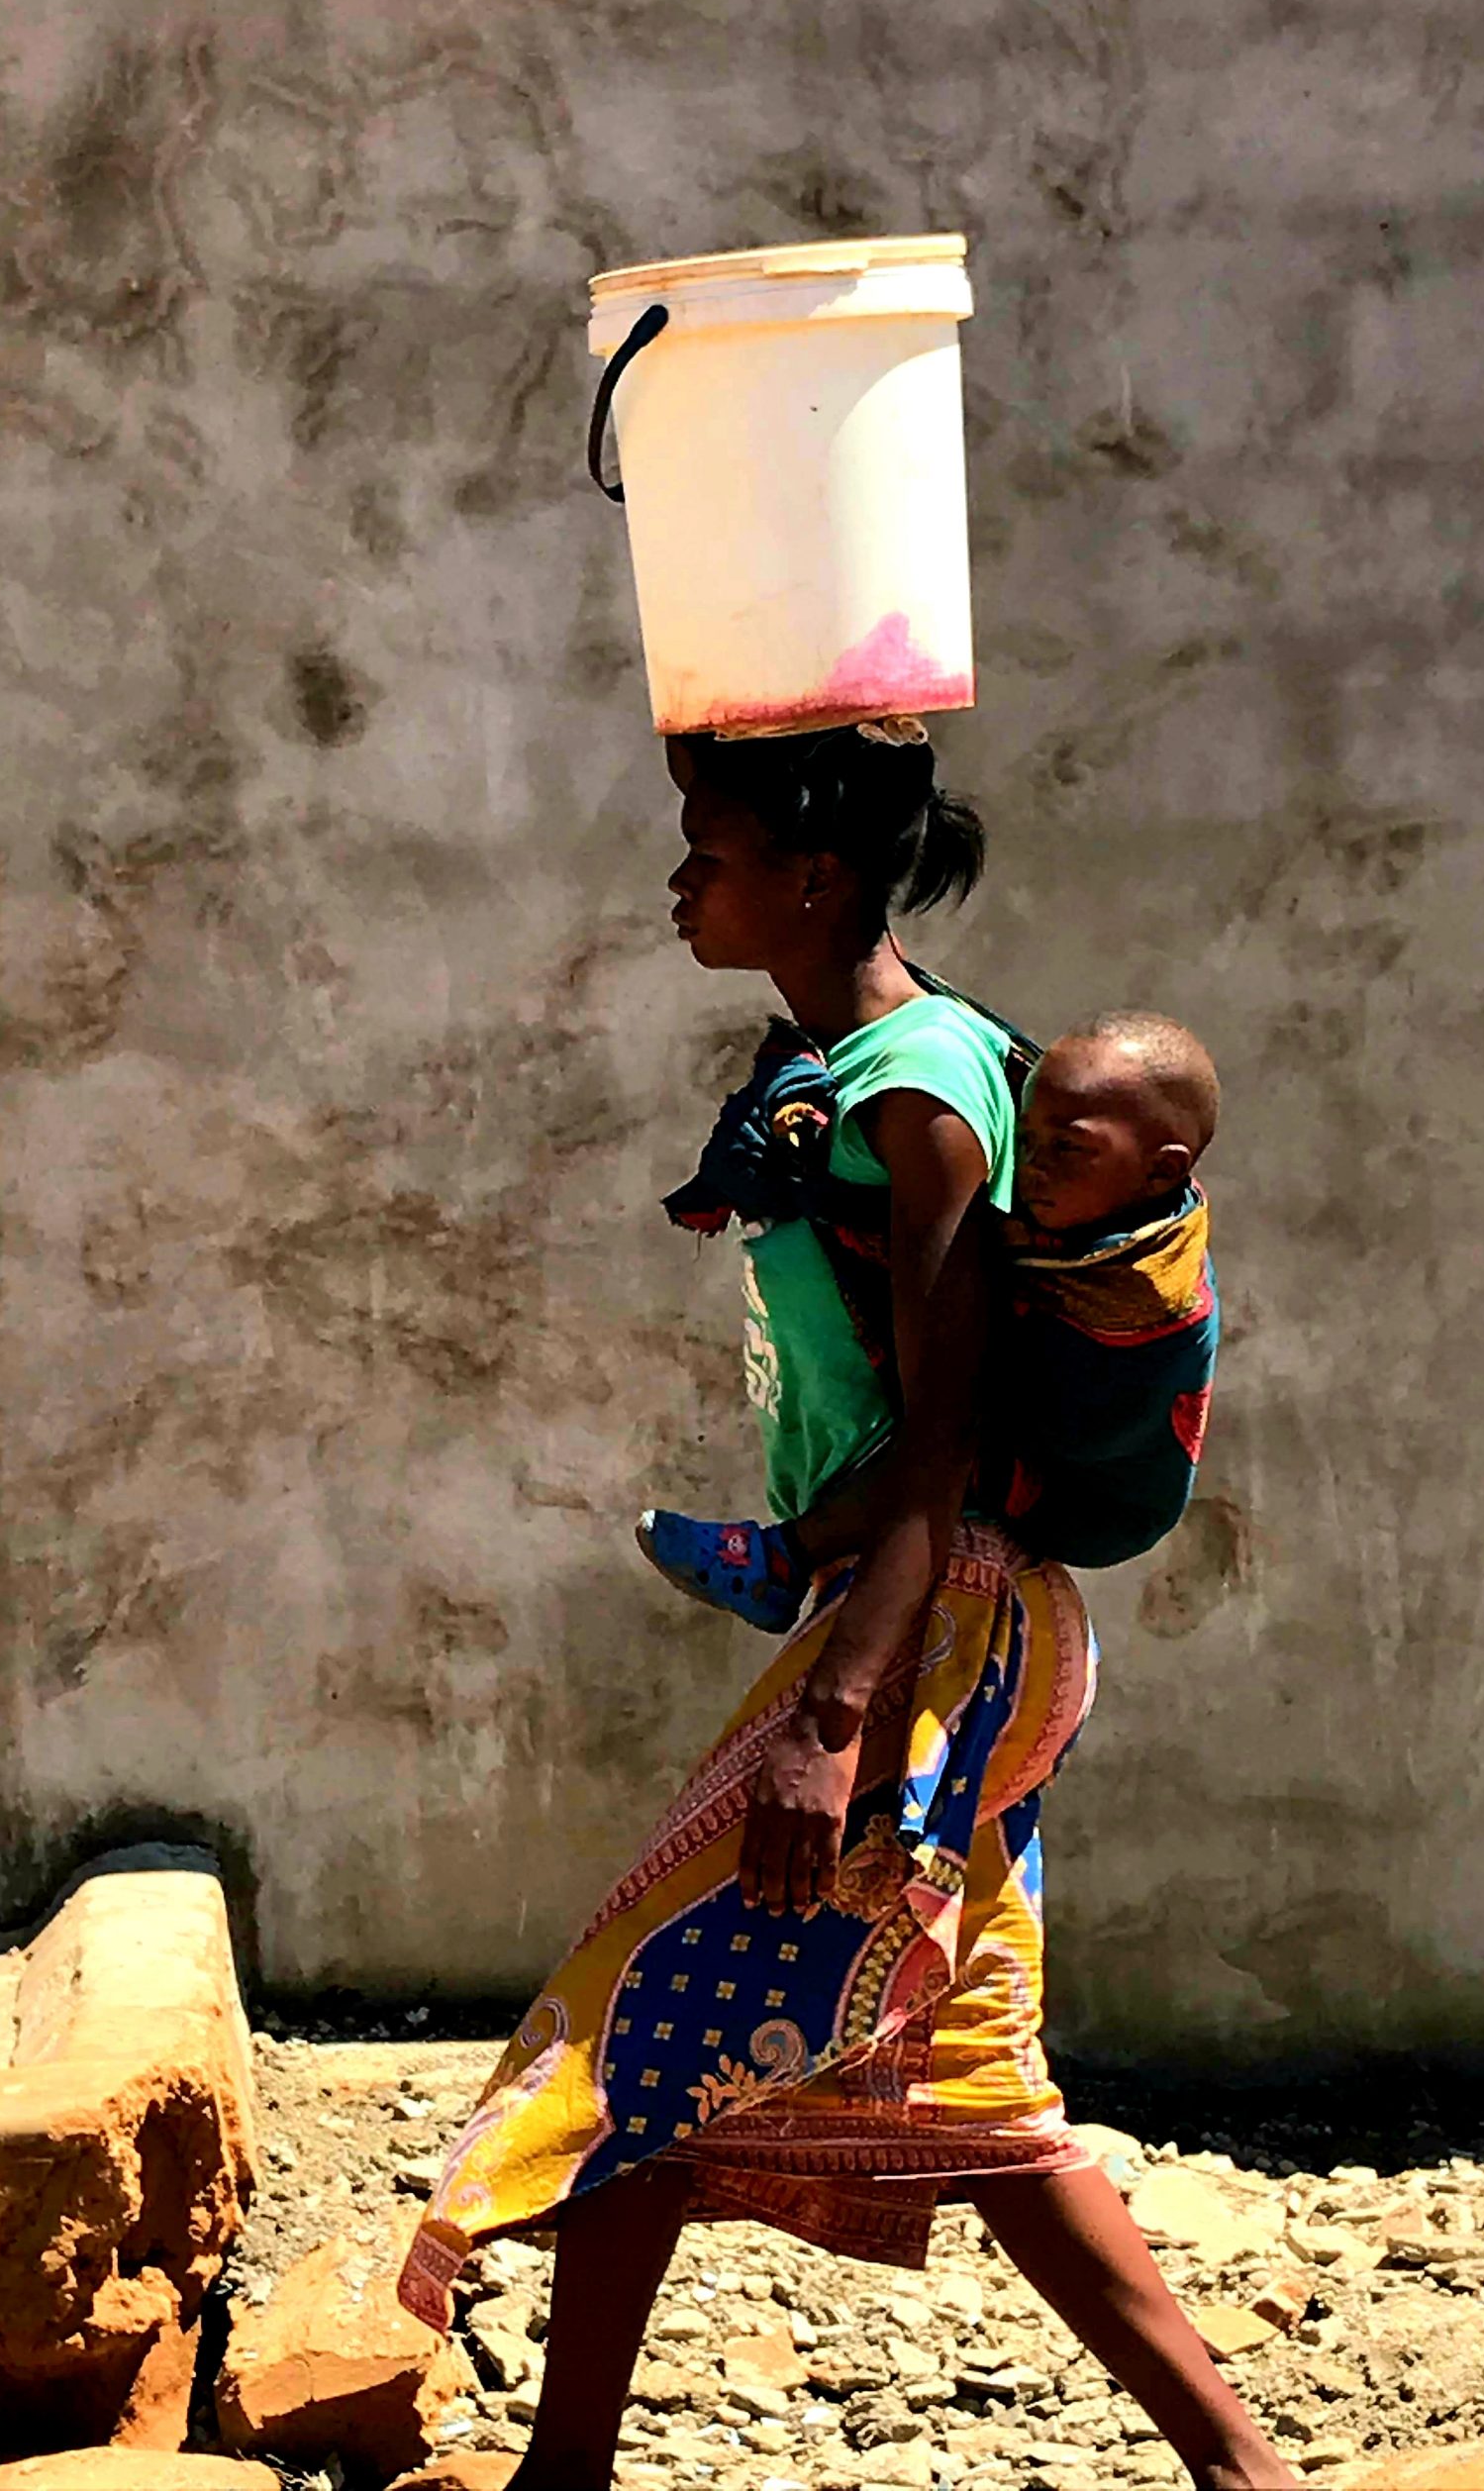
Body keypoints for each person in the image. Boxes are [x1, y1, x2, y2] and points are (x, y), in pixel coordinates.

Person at [398, 727, 1291, 2491]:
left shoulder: (921, 1094)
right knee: (963, 2078)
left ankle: (562, 2475)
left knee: (645, 2017)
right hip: (932, 1615)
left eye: (704, 851)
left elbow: (951, 1440)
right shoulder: (847, 1055)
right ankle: (1240, 2471)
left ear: (811, 878)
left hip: (938, 1622)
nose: (675, 882)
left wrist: (833, 1723)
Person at [639, 1009, 1224, 1631]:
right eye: (1024, 1139)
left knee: (944, 1437)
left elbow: (975, 1407)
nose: (1033, 1165)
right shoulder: (1086, 1197)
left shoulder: (1140, 1301)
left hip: (1087, 1496)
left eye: (1068, 1147)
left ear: (1163, 1169)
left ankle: (781, 1560)